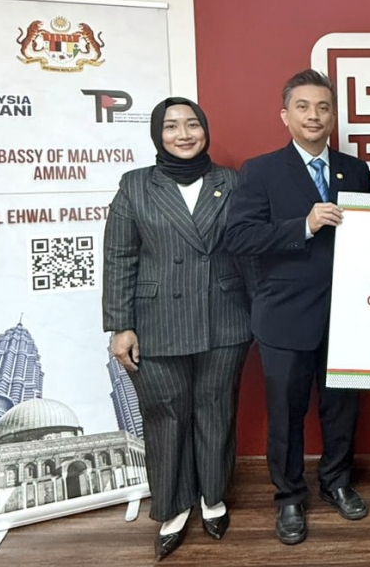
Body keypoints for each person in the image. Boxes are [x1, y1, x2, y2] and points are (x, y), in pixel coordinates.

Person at [224, 69, 370, 545]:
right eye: (303, 107)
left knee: (341, 409)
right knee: (286, 414)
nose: (314, 116)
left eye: (323, 107)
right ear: (285, 115)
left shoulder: (354, 170)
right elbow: (239, 237)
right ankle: (289, 496)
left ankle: (336, 482)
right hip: (285, 315)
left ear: (334, 115)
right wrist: (303, 225)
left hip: (346, 314)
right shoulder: (261, 170)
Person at [102, 97, 251, 561]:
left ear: (205, 130)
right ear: (157, 134)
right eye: (171, 126)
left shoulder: (231, 181)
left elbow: (250, 245)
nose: (183, 134)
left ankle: (212, 498)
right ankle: (173, 506)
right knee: (165, 416)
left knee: (216, 410)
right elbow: (119, 257)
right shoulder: (135, 185)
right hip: (155, 321)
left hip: (224, 316)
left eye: (192, 124)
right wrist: (120, 326)